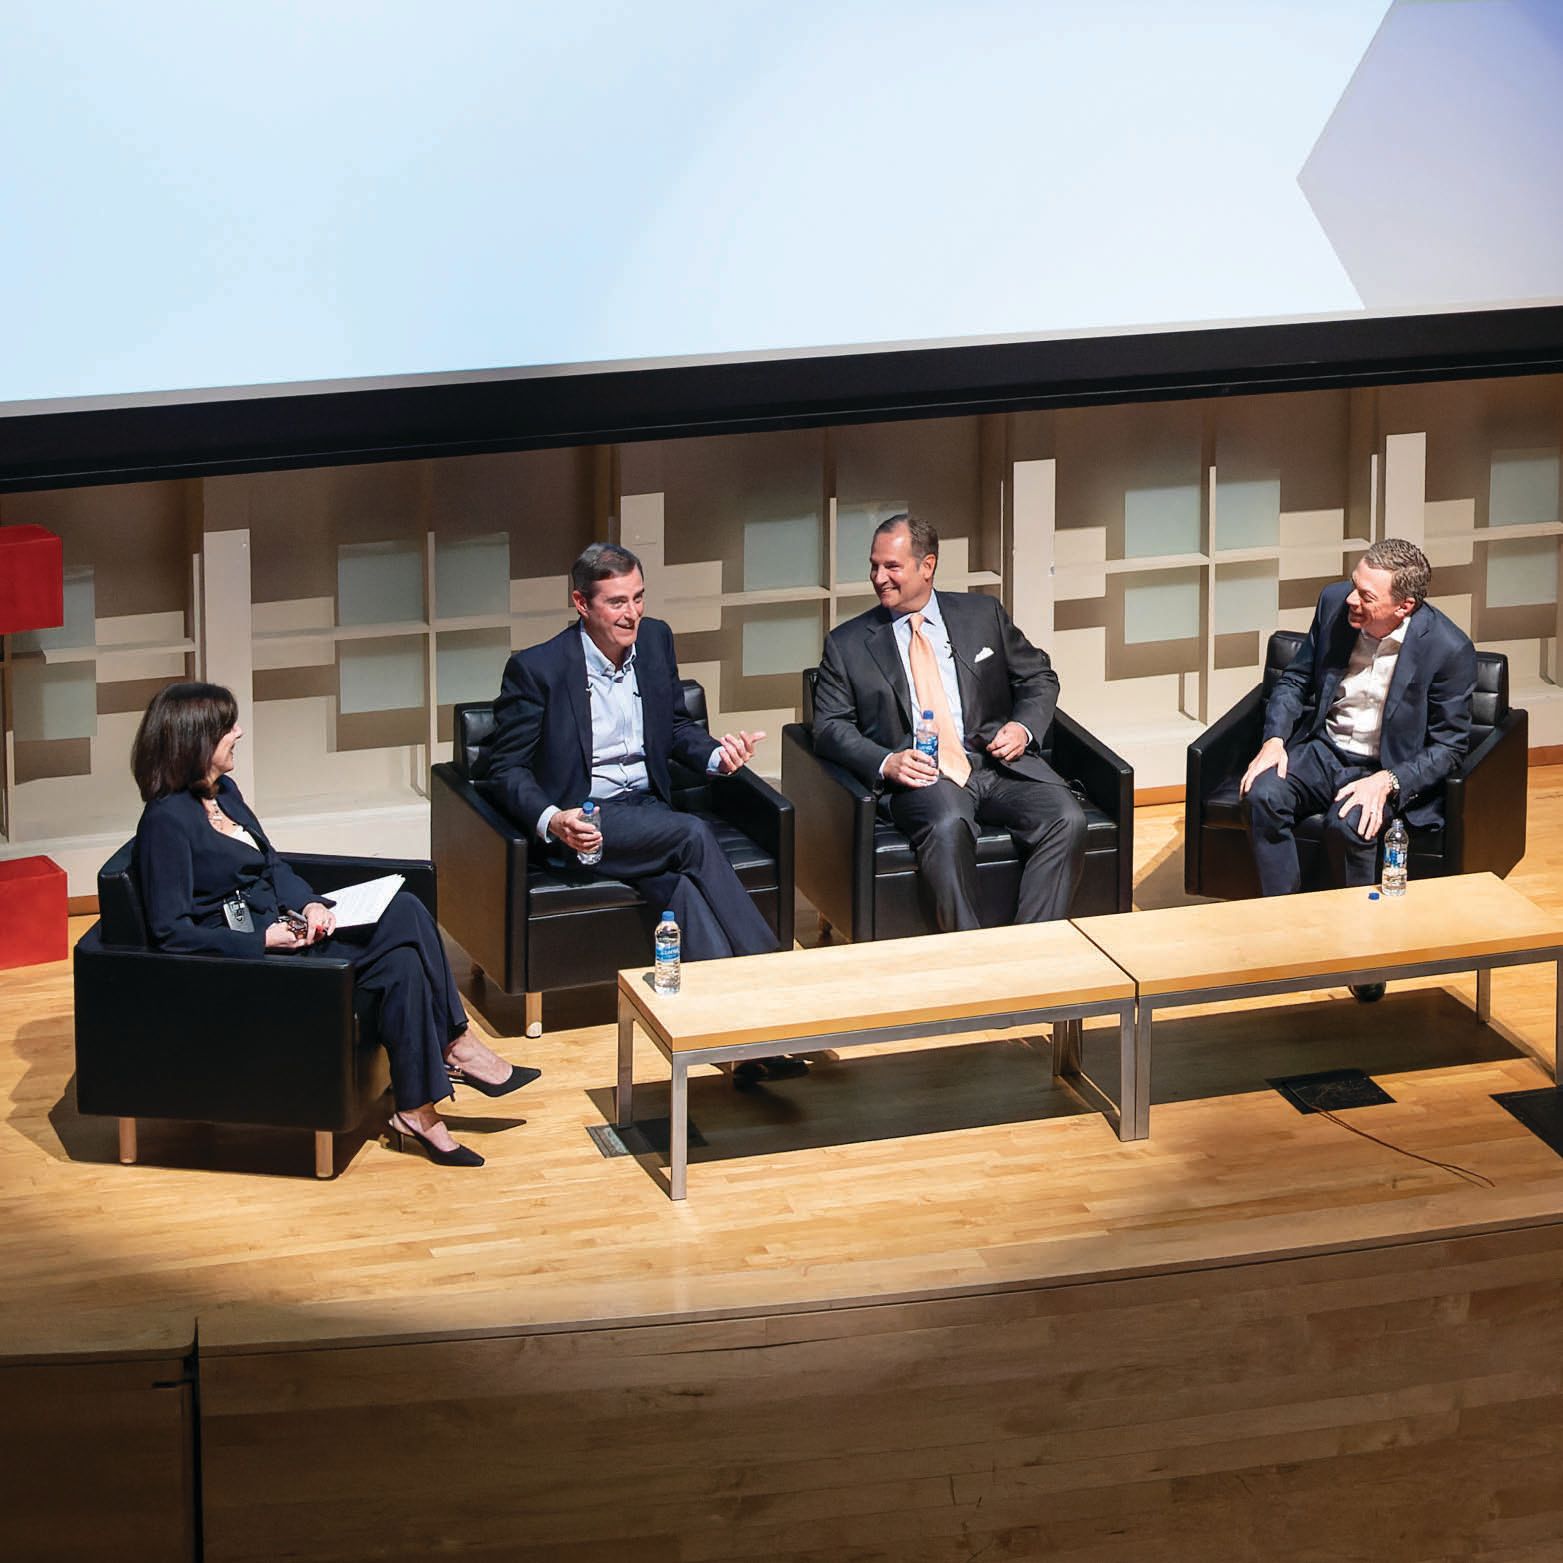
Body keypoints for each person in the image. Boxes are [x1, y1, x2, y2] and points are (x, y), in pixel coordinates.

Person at [131, 682, 534, 1168]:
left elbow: (273, 866)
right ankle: (455, 1043)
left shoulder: (225, 794)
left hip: (293, 930)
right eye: (226, 727)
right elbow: (171, 932)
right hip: (255, 965)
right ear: (193, 740)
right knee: (405, 918)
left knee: (404, 959)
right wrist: (261, 939)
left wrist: (311, 904)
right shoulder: (164, 823)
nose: (238, 733)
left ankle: (417, 1110)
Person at [477, 542, 798, 1083]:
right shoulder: (537, 669)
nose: (632, 614)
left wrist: (718, 755)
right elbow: (505, 770)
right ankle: (777, 991)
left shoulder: (655, 641)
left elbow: (675, 729)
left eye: (639, 598)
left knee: (684, 892)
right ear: (582, 603)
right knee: (693, 835)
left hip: (647, 814)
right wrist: (553, 820)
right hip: (587, 819)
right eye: (617, 603)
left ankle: (738, 1047)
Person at [812, 513, 1087, 932]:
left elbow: (1038, 676)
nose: (879, 578)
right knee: (947, 824)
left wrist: (1022, 727)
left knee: (1066, 817)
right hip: (925, 776)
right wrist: (888, 761)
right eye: (874, 565)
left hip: (997, 766)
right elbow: (829, 726)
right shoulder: (847, 644)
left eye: (892, 567)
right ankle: (968, 955)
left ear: (927, 566)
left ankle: (1032, 954)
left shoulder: (982, 615)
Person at [1239, 538, 1476, 997]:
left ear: (1404, 605)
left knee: (1350, 826)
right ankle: (1288, 934)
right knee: (1264, 793)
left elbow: (1449, 747)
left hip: (1384, 767)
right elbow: (1296, 678)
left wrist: (1388, 782)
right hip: (1325, 748)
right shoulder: (1333, 605)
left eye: (1367, 596)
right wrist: (1274, 740)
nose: (1352, 599)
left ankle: (1363, 960)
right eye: (1354, 586)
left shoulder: (1448, 649)